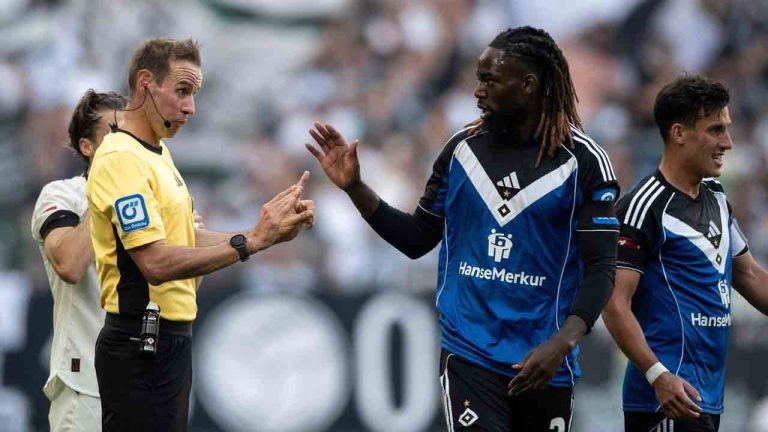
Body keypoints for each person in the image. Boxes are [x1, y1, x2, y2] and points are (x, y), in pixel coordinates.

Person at [307, 26, 619, 431]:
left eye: (490, 80)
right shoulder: (461, 150)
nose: (478, 91)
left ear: (528, 85)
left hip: (546, 360)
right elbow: (417, 239)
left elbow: (602, 268)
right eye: (478, 79)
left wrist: (563, 343)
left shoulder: (585, 163)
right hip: (470, 351)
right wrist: (355, 188)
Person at [85, 38, 315, 431]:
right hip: (140, 338)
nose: (191, 106)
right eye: (182, 91)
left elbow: (185, 239)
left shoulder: (156, 154)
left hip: (166, 338)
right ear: (146, 83)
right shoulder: (121, 157)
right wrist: (250, 242)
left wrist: (265, 234)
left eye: (193, 93)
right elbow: (155, 262)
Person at [602, 74, 768, 432]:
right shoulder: (642, 207)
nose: (729, 142)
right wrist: (658, 376)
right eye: (715, 130)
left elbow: (750, 274)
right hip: (665, 399)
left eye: (727, 129)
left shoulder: (716, 198)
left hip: (706, 395)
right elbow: (615, 303)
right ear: (678, 133)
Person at [31, 90, 126, 431]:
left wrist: (251, 239)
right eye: (114, 134)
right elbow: (69, 264)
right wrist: (110, 195)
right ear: (87, 147)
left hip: (147, 389)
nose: (126, 145)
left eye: (131, 135)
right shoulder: (62, 195)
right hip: (86, 387)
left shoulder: (156, 198)